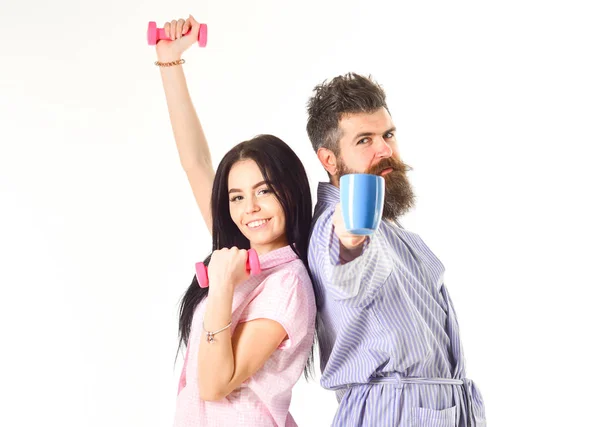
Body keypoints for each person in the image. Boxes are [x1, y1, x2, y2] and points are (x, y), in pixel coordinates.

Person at [155, 15, 316, 427]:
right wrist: (169, 61)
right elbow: (195, 163)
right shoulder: (240, 254)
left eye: (264, 191)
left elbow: (214, 385)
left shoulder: (289, 284)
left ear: (291, 191)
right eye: (237, 197)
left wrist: (222, 284)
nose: (251, 209)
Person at [306, 73, 486, 426]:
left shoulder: (392, 229)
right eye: (364, 140)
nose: (385, 149)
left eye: (387, 135)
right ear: (329, 159)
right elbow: (345, 269)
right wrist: (350, 243)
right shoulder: (336, 223)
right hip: (389, 414)